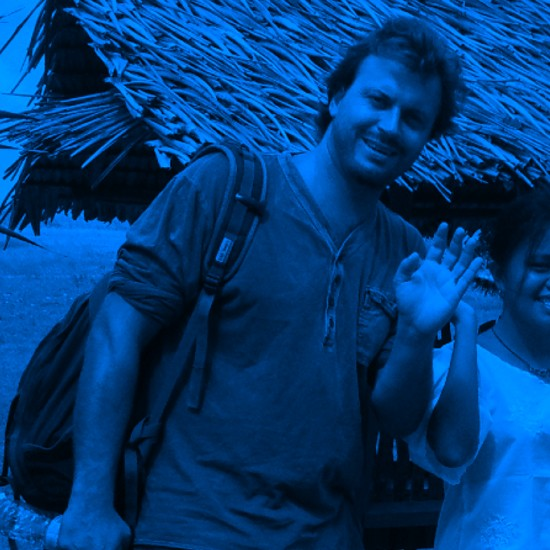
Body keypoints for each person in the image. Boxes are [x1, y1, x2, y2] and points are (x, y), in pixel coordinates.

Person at [58, 16, 480, 550]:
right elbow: (117, 331)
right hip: (190, 530)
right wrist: (89, 503)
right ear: (336, 98)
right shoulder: (225, 188)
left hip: (328, 536)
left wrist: (416, 336)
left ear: (426, 138)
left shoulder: (403, 251)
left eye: (414, 118)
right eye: (378, 100)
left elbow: (396, 418)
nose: (391, 126)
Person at [406, 187, 550, 549]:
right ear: (498, 274)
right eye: (540, 266)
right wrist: (465, 325)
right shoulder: (463, 362)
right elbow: (453, 451)